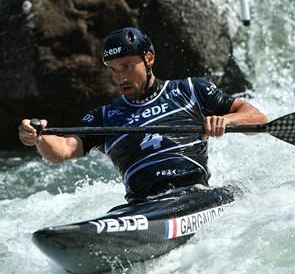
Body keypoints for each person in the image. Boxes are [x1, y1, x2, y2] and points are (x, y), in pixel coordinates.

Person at [19, 27, 268, 204]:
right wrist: (38, 137)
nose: (120, 77)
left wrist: (227, 120)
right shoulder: (105, 116)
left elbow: (256, 117)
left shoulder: (191, 89)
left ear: (148, 59)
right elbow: (62, 149)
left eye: (127, 66)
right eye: (114, 70)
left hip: (195, 194)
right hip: (143, 206)